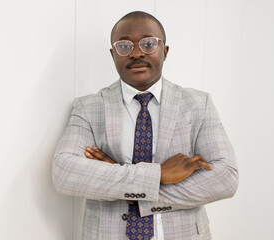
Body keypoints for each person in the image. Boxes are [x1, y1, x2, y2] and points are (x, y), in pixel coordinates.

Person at [52, 11, 238, 240]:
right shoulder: (88, 107)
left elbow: (225, 178)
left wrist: (130, 187)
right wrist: (160, 174)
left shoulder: (199, 104)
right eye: (124, 46)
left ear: (165, 51)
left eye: (148, 44)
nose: (137, 53)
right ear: (113, 54)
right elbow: (65, 173)